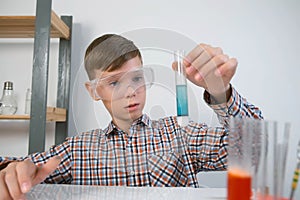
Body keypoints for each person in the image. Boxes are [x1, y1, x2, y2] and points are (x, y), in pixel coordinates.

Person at [0, 34, 263, 199]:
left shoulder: (181, 133)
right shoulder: (77, 150)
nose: (130, 91)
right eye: (114, 83)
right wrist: (11, 173)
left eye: (137, 78)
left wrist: (221, 93)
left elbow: (254, 152)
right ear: (93, 91)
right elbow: (20, 169)